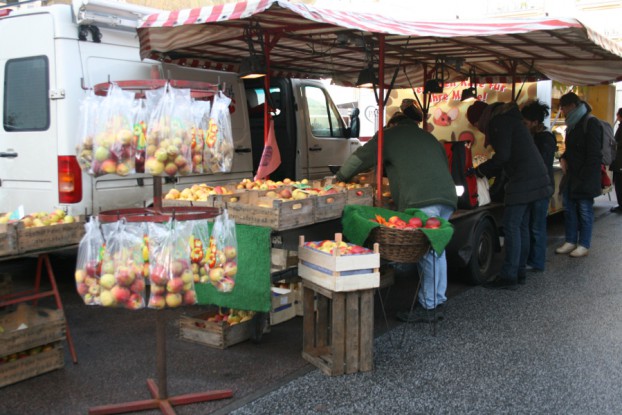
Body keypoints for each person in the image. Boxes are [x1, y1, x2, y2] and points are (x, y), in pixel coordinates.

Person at [336, 113, 458, 322]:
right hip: (447, 197)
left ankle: (430, 306)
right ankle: (437, 300)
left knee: (428, 251)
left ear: (392, 124)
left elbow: (361, 158)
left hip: (423, 199)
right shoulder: (428, 136)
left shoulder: (389, 135)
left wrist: (339, 177)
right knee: (436, 249)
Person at [466, 100, 552, 289]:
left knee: (512, 226)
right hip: (535, 178)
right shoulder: (509, 119)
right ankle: (519, 271)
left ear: (481, 119)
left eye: (476, 125)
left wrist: (480, 171)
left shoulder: (499, 123)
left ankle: (509, 276)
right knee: (521, 227)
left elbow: (503, 156)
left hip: (524, 180)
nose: (479, 129)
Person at [555, 92, 602, 257]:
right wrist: (563, 158)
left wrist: (583, 176)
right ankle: (570, 240)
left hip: (585, 177)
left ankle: (584, 244)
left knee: (584, 210)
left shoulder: (590, 123)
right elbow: (570, 149)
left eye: (564, 107)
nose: (563, 111)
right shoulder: (572, 124)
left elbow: (595, 155)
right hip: (571, 176)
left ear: (573, 106)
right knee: (569, 209)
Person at [521, 100, 558, 272]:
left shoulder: (545, 139)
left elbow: (542, 163)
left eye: (526, 123)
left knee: (536, 226)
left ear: (535, 123)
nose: (524, 126)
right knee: (532, 225)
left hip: (541, 188)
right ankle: (532, 260)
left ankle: (537, 262)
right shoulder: (537, 137)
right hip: (536, 187)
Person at [610, 107, 622, 213]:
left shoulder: (621, 127)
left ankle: (621, 205)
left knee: (619, 183)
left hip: (620, 161)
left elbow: (617, 142)